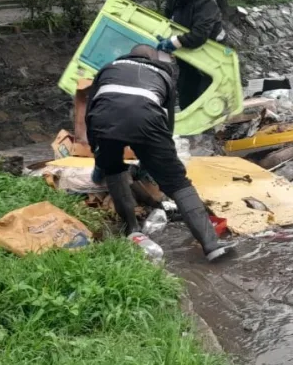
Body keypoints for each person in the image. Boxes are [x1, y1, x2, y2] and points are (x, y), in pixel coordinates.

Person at [86, 44, 232, 262]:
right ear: (153, 59)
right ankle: (212, 247)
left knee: (113, 169)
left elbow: (91, 108)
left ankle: (132, 230)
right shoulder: (163, 73)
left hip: (103, 119)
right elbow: (167, 123)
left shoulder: (108, 68)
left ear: (129, 55)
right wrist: (161, 159)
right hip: (147, 120)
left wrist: (98, 154)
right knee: (177, 183)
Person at [157, 0, 226, 110]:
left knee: (205, 102)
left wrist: (173, 43)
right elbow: (168, 23)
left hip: (210, 60)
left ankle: (208, 133)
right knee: (186, 98)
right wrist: (165, 38)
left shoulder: (206, 2)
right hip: (187, 58)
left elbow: (199, 35)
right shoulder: (174, 1)